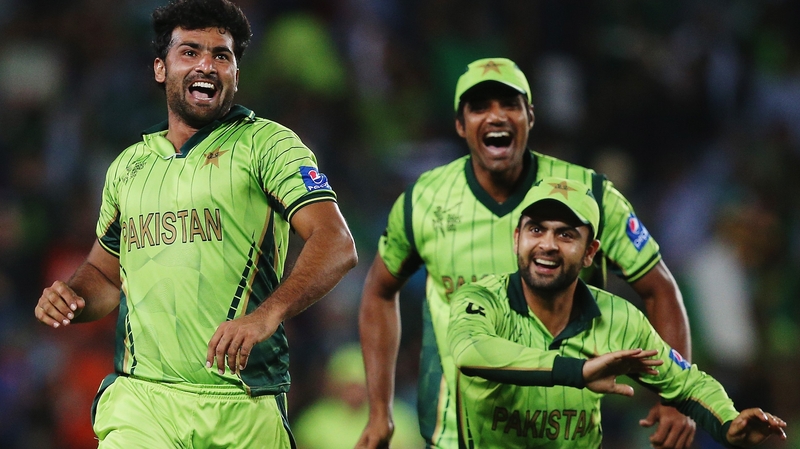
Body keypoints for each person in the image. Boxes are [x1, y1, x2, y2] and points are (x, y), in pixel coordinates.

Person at [33, 0, 358, 447]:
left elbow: (337, 242)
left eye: (221, 55)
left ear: (235, 75)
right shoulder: (128, 166)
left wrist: (268, 315)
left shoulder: (268, 145)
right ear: (160, 69)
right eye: (190, 52)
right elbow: (105, 276)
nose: (206, 64)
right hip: (143, 402)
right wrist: (72, 297)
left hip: (244, 403)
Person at [357, 57, 694, 449]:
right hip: (456, 436)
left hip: (563, 434)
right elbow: (379, 291)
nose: (496, 116)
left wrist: (675, 399)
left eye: (510, 104)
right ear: (460, 125)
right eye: (480, 106)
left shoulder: (591, 195)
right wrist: (379, 410)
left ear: (530, 117)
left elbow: (659, 289)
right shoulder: (424, 200)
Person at [447, 176, 787, 448]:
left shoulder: (617, 318)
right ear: (517, 236)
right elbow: (471, 351)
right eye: (536, 229)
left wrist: (728, 423)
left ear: (590, 252)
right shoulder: (482, 299)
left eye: (566, 234)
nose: (547, 244)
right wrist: (577, 371)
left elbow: (686, 381)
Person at [292, 343, 424, 449]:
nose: (354, 392)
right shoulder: (313, 420)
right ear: (334, 386)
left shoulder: (398, 418)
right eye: (348, 385)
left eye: (360, 385)